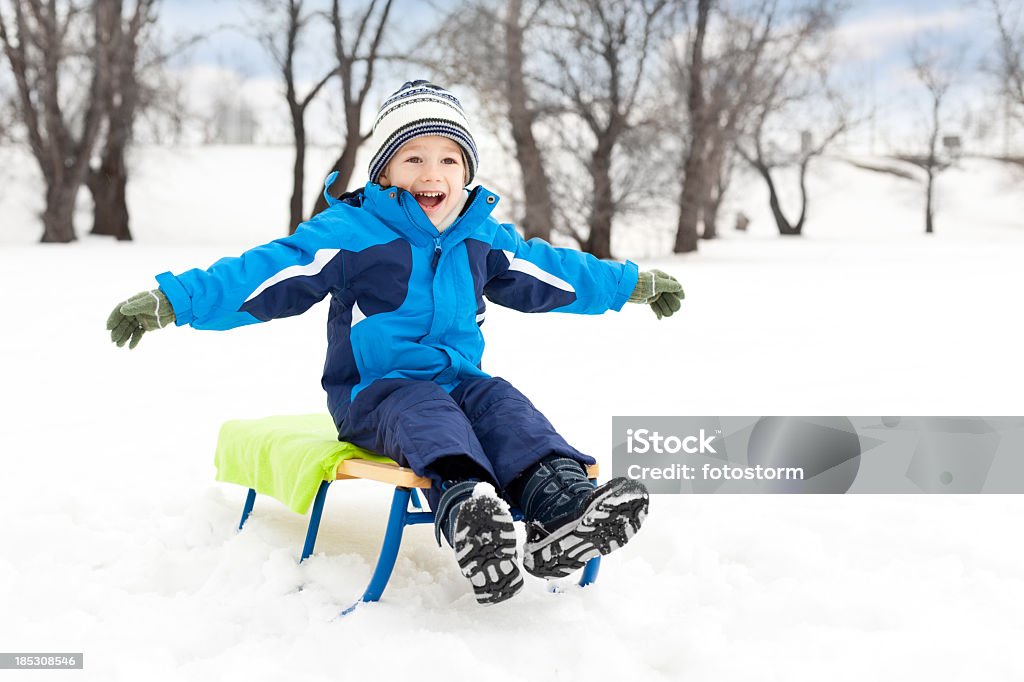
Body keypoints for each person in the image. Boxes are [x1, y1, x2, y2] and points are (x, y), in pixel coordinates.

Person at [106, 80, 684, 605]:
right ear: (384, 171)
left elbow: (554, 272)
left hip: (460, 383)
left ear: (467, 172)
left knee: (503, 402)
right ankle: (469, 512)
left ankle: (560, 512)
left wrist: (629, 285)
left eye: (449, 159)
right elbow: (269, 272)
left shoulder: (480, 236)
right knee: (424, 406)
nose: (433, 172)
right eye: (414, 158)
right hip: (375, 395)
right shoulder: (353, 234)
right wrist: (177, 300)